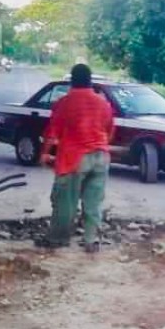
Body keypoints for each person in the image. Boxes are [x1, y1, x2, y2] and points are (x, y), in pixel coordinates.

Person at [36, 64, 115, 253]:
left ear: (72, 80)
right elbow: (109, 130)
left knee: (65, 201)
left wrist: (45, 153)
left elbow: (52, 131)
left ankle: (57, 239)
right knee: (93, 202)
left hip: (75, 158)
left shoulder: (65, 102)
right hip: (101, 157)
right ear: (91, 80)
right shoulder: (103, 103)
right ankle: (90, 240)